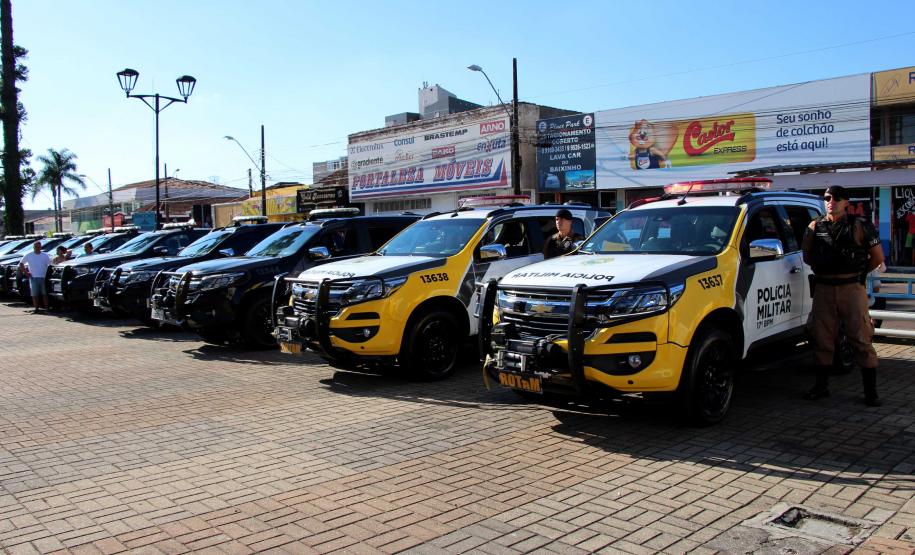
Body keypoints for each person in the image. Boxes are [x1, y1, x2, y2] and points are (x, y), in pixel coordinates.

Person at [802, 185, 885, 406]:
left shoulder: (860, 225)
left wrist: (859, 274)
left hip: (851, 288)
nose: (832, 201)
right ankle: (821, 387)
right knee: (821, 338)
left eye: (837, 198)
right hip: (824, 289)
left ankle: (871, 392)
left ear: (846, 202)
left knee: (861, 338)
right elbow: (807, 257)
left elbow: (877, 257)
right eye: (828, 197)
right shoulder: (814, 226)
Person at [18, 240, 52, 313]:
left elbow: (50, 265)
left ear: (41, 247)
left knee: (44, 294)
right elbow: (21, 264)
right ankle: (36, 309)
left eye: (39, 246)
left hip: (43, 277)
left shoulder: (45, 255)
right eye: (36, 246)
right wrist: (26, 273)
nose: (37, 248)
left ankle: (47, 309)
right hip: (33, 277)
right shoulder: (29, 255)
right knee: (34, 294)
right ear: (33, 247)